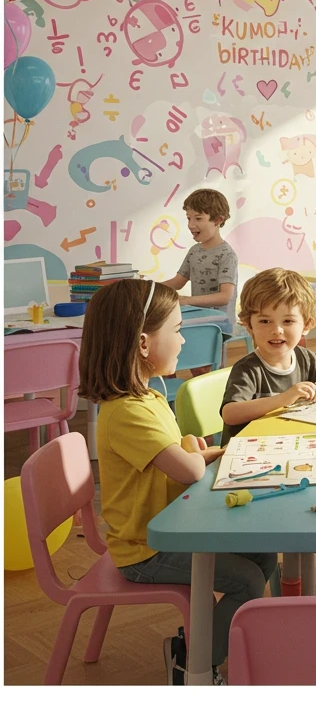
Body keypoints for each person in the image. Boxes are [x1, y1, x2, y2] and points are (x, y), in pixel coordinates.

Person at [78, 279, 278, 685]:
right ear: (143, 343)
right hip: (147, 548)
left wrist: (199, 451)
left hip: (172, 526)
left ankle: (208, 640)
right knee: (246, 580)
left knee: (263, 555)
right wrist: (192, 456)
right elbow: (188, 471)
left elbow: (174, 459)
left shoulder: (148, 398)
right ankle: (195, 662)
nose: (183, 341)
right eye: (178, 330)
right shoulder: (129, 412)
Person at [220, 268, 316, 445]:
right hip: (248, 451)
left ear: (307, 325)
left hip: (288, 442)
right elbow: (230, 414)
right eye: (265, 321)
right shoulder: (248, 369)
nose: (277, 330)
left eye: (288, 321)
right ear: (249, 326)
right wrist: (284, 398)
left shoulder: (305, 358)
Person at [160, 187, 238, 360]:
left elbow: (224, 297)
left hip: (219, 322)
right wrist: (149, 287)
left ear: (218, 220)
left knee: (200, 361)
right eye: (189, 218)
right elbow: (178, 281)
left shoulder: (227, 255)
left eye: (198, 218)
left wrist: (186, 300)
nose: (190, 224)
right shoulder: (195, 251)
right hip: (198, 317)